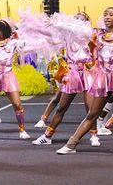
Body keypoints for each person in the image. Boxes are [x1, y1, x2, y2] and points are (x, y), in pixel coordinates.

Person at [56, 7, 113, 155]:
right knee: (92, 113)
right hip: (102, 75)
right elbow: (76, 29)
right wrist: (55, 23)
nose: (107, 17)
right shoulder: (96, 34)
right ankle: (71, 144)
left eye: (111, 14)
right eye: (105, 15)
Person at [32, 12, 100, 146]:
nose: (78, 20)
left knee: (91, 108)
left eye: (82, 18)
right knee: (62, 107)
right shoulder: (67, 37)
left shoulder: (91, 36)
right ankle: (47, 136)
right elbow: (51, 37)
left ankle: (94, 135)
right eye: (76, 18)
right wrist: (36, 27)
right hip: (73, 73)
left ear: (86, 22)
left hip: (88, 74)